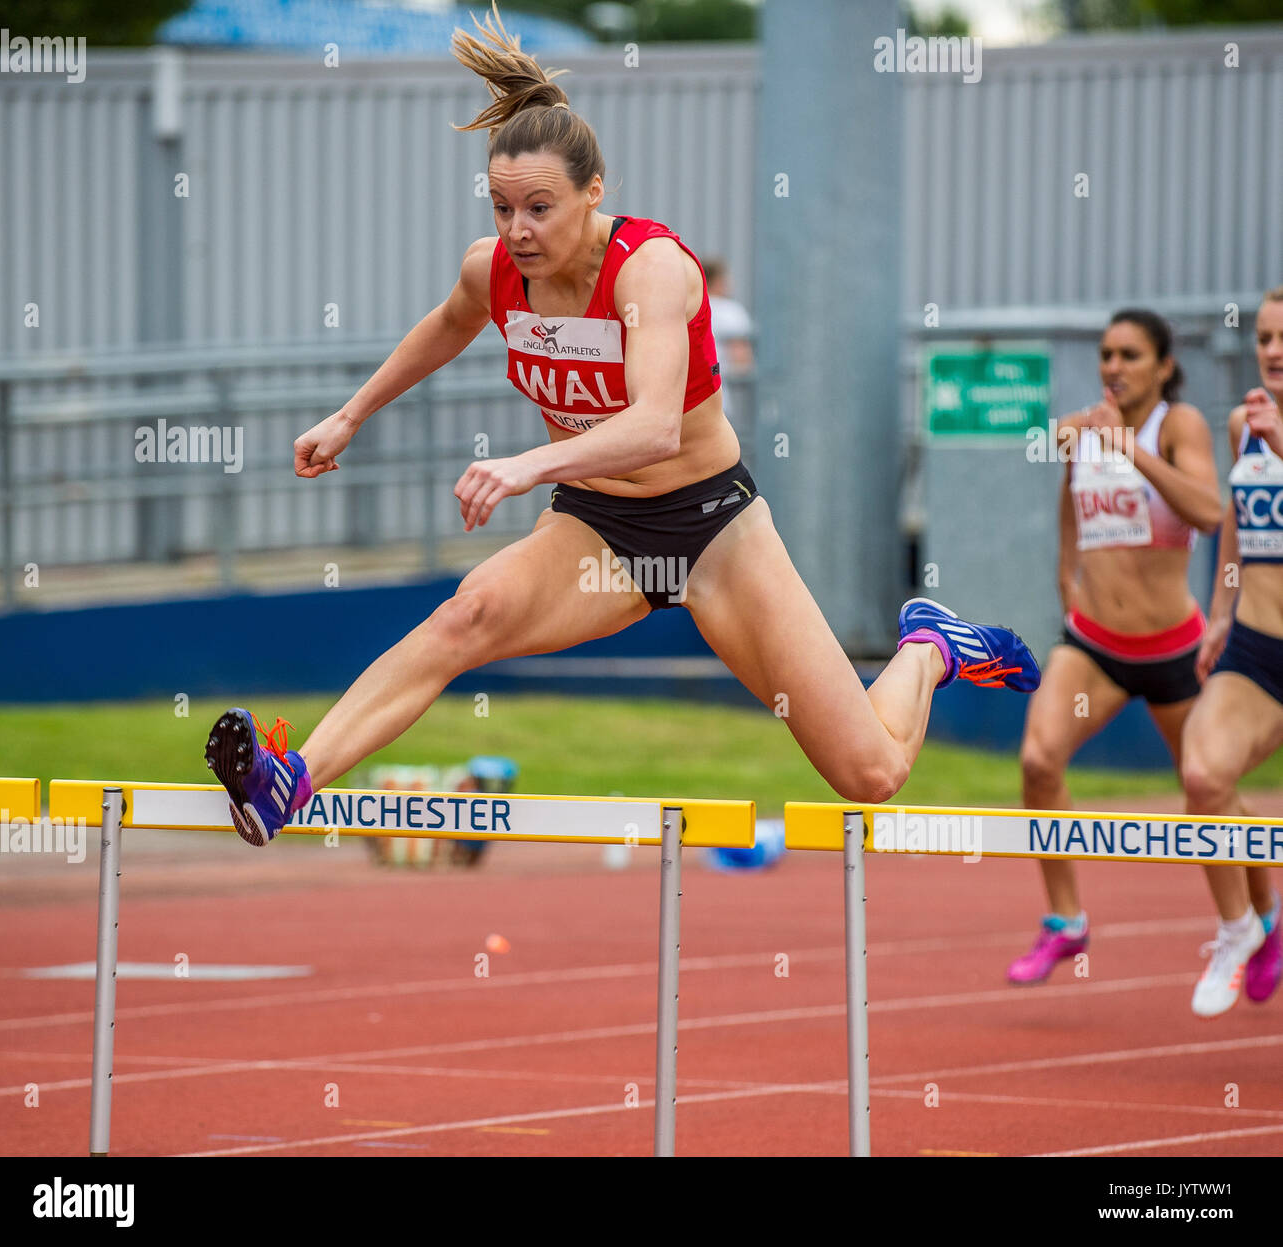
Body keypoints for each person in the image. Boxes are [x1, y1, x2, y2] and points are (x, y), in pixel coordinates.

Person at [202, 3, 1041, 848]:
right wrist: (351, 415)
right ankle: (289, 781)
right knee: (465, 616)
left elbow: (654, 429)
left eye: (539, 208)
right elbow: (449, 323)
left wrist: (527, 465)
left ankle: (929, 646)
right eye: (501, 208)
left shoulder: (652, 270)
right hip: (597, 526)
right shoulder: (494, 270)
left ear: (593, 192)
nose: (518, 231)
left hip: (713, 527)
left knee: (869, 774)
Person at [1009, 310, 1223, 985]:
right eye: (1106, 354)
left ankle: (1257, 919)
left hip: (1172, 649)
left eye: (1130, 354)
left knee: (1209, 789)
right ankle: (1065, 920)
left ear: (1163, 365)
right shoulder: (1082, 430)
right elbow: (1070, 510)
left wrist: (1130, 449)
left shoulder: (1177, 425)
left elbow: (1208, 510)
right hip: (1094, 644)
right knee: (1039, 761)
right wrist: (1067, 580)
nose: (1114, 366)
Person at [1179, 287, 1283, 1017]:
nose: (1273, 350)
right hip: (1257, 646)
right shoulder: (1244, 425)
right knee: (1204, 774)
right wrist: (1220, 613)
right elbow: (1235, 528)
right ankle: (1244, 922)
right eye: (1265, 336)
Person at [700, 257, 753, 420]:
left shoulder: (690, 306)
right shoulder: (731, 311)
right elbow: (741, 359)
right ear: (718, 281)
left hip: (686, 399)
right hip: (717, 395)